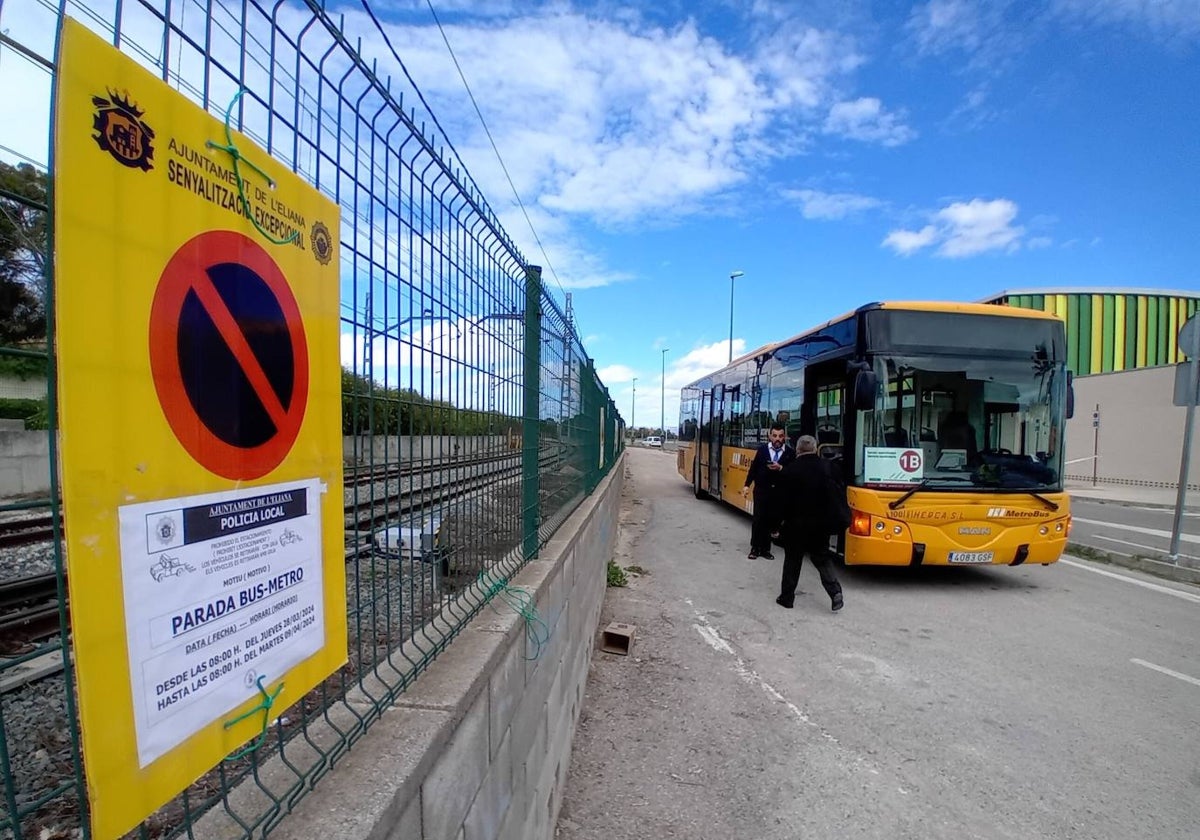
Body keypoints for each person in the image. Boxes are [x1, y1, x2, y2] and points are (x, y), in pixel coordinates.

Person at [775, 435, 844, 612]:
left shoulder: (790, 471)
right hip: (821, 525)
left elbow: (781, 502)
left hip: (795, 525)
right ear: (815, 448)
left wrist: (775, 526)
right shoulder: (829, 467)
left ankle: (787, 598)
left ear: (797, 450)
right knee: (822, 558)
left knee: (793, 560)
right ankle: (835, 592)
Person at [740, 422, 794, 559]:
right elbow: (753, 469)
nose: (777, 439)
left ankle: (765, 549)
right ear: (769, 436)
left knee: (771, 520)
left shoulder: (789, 453)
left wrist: (781, 468)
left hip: (779, 493)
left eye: (780, 436)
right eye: (774, 436)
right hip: (761, 491)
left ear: (785, 437)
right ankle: (754, 548)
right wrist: (747, 485)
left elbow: (793, 473)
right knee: (758, 519)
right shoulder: (762, 450)